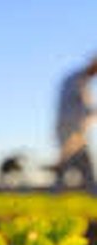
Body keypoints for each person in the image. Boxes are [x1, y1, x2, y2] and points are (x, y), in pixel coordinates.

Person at [53, 58, 97, 192]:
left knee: (77, 166)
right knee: (74, 166)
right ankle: (56, 195)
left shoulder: (82, 81)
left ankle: (56, 194)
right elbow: (75, 108)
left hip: (76, 134)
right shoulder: (75, 80)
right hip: (69, 132)